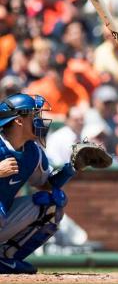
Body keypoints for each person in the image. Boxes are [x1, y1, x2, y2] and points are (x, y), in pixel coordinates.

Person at [0, 93, 77, 274]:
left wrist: (71, 168)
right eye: (34, 115)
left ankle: (4, 258)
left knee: (51, 203)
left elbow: (46, 184)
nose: (39, 120)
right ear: (19, 121)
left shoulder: (32, 151)